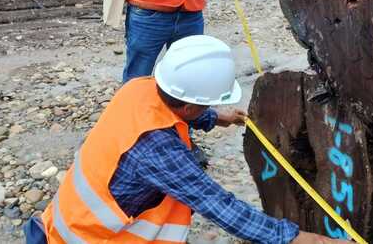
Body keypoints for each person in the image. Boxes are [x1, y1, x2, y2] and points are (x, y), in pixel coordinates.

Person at [24, 35, 353, 244]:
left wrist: (212, 118)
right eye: (206, 105)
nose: (209, 108)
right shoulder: (157, 149)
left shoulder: (138, 87)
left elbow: (172, 108)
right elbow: (219, 205)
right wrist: (294, 238)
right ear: (189, 103)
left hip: (65, 218)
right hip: (92, 238)